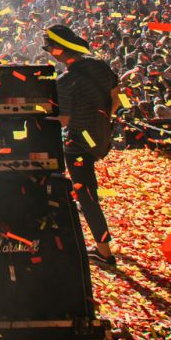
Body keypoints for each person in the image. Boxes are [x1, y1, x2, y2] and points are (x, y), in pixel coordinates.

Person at [44, 24, 119, 266]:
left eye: (50, 48)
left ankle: (104, 252)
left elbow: (63, 120)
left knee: (87, 196)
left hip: (78, 145)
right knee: (87, 194)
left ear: (60, 51)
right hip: (101, 137)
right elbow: (118, 97)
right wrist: (103, 119)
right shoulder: (101, 66)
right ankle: (100, 241)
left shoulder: (66, 81)